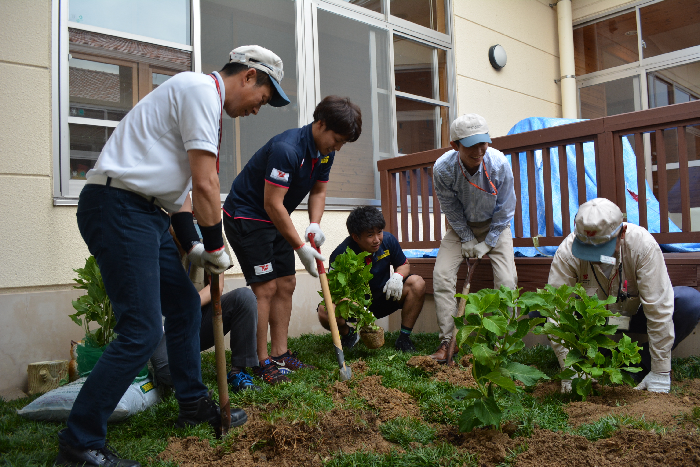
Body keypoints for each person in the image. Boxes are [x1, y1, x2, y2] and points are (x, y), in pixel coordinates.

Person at [56, 45, 290, 467]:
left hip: (146, 211)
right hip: (117, 206)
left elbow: (182, 198)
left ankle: (193, 405)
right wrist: (217, 245)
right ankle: (79, 442)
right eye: (265, 97)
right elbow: (206, 184)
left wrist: (197, 246)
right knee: (142, 330)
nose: (261, 108)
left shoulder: (203, 104)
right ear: (250, 76)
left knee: (183, 305)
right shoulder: (201, 90)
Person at [223, 96, 362, 385]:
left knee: (286, 282)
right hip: (247, 216)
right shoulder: (288, 149)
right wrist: (301, 247)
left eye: (342, 143)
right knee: (266, 287)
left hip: (275, 217)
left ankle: (280, 353)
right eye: (336, 139)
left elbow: (319, 192)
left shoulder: (325, 153)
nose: (337, 147)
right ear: (320, 124)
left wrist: (314, 223)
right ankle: (261, 362)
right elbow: (272, 203)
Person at [546, 197, 700, 393]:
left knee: (689, 302)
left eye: (602, 248)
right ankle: (586, 363)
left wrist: (661, 371)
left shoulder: (643, 246)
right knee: (543, 312)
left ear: (622, 232)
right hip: (594, 324)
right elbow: (557, 310)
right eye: (587, 249)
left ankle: (643, 363)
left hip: (633, 317)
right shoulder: (567, 252)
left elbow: (658, 308)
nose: (595, 256)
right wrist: (570, 370)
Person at [430, 113, 517, 363]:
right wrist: (467, 238)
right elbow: (450, 207)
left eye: (484, 142)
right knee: (442, 275)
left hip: (496, 226)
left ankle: (501, 343)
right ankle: (448, 342)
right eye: (471, 145)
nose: (480, 150)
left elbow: (506, 207)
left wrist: (488, 242)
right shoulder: (443, 168)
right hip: (461, 226)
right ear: (455, 146)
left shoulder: (498, 163)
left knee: (507, 280)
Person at [150, 199, 260, 394]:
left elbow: (215, 287)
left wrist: (188, 306)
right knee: (166, 371)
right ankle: (186, 382)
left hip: (196, 319)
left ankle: (238, 372)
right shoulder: (156, 238)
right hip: (163, 327)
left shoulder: (208, 234)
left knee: (245, 297)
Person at [316, 206, 426, 351]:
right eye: (370, 235)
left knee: (417, 283)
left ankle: (404, 339)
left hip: (384, 297)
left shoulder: (388, 240)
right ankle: (349, 335)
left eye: (379, 232)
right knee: (324, 310)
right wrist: (356, 307)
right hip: (355, 305)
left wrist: (398, 276)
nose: (377, 240)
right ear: (356, 237)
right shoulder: (341, 254)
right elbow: (333, 293)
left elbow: (404, 264)